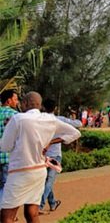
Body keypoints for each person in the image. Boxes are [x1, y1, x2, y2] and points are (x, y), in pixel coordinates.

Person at [0, 91, 80, 223]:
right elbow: (75, 132)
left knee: (7, 216)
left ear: (25, 103)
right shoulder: (50, 119)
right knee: (32, 213)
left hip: (20, 172)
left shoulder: (18, 119)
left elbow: (5, 147)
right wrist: (51, 142)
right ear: (39, 105)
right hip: (38, 171)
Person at [39, 99, 82, 214]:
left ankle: (52, 203)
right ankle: (42, 205)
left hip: (42, 155)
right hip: (55, 155)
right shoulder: (60, 119)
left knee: (46, 181)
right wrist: (73, 116)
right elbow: (79, 124)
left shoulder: (39, 120)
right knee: (49, 181)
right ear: (56, 108)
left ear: (42, 107)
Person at [0, 90, 19, 202]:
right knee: (6, 185)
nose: (17, 102)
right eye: (15, 99)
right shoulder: (15, 115)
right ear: (9, 100)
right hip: (8, 156)